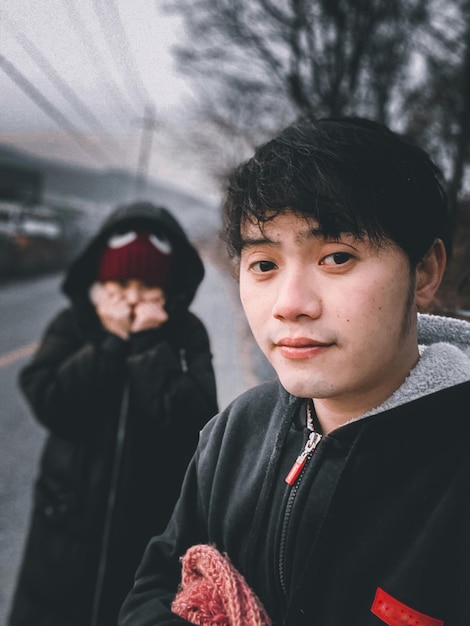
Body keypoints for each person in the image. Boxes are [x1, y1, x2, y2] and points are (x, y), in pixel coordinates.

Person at [118, 117, 470, 626]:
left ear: (425, 272)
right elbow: (154, 585)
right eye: (264, 265)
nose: (290, 305)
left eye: (336, 257)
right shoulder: (236, 430)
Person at [7, 201, 219, 626]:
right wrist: (109, 342)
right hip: (64, 525)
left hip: (147, 529)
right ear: (102, 280)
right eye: (123, 282)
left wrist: (145, 345)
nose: (134, 296)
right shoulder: (76, 323)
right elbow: (51, 401)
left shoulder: (185, 334)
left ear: (169, 288)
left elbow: (195, 420)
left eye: (147, 285)